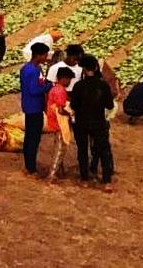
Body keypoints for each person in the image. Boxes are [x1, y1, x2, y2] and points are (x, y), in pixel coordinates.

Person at [70, 55, 115, 189]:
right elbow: (110, 105)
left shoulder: (79, 86)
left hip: (81, 122)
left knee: (82, 150)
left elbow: (74, 105)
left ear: (83, 70)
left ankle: (84, 179)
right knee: (103, 150)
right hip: (99, 122)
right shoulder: (103, 85)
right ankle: (106, 181)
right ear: (96, 68)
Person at [19, 42, 52, 176]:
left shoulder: (26, 67)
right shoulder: (34, 70)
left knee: (30, 137)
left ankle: (29, 164)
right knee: (33, 137)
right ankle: (31, 168)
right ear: (38, 55)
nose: (46, 58)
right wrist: (47, 87)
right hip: (34, 107)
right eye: (44, 55)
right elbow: (34, 90)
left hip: (28, 105)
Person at [46, 67, 75, 180]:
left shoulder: (54, 89)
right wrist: (70, 114)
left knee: (59, 146)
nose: (69, 83)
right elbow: (61, 110)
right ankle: (52, 174)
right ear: (63, 79)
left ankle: (59, 171)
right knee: (60, 149)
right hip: (59, 122)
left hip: (53, 121)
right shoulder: (61, 91)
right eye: (68, 80)